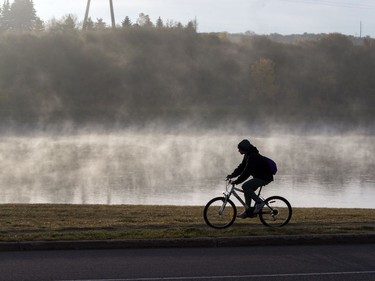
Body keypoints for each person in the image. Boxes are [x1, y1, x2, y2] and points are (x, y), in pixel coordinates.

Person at [226, 139, 273, 218]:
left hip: (264, 177)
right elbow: (242, 167)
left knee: (245, 186)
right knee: (247, 190)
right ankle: (247, 211)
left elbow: (246, 172)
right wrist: (232, 175)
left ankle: (259, 202)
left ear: (244, 149)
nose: (238, 150)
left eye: (240, 149)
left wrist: (237, 181)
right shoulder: (247, 155)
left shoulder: (253, 157)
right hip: (259, 176)